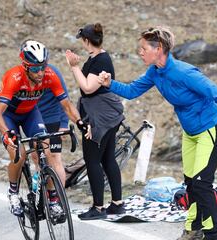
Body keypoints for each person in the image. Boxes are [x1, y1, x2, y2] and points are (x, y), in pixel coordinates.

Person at [98, 26, 217, 240]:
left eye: (143, 48)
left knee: (202, 184)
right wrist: (109, 84)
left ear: (158, 48)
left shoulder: (184, 72)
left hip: (210, 130)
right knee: (190, 183)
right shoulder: (155, 72)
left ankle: (211, 235)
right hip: (190, 134)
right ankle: (193, 229)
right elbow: (131, 91)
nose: (139, 52)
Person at [0, 40, 90, 217]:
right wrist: (6, 134)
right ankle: (13, 192)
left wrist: (80, 123)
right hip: (9, 116)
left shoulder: (49, 74)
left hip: (31, 113)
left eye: (42, 67)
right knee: (19, 154)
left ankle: (52, 200)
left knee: (47, 153)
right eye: (35, 69)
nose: (40, 72)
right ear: (25, 66)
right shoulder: (13, 77)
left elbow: (66, 106)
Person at [65, 23, 126, 220]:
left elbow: (88, 87)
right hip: (106, 114)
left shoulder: (100, 60)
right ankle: (117, 204)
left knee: (92, 160)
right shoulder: (98, 57)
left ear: (86, 40)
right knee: (107, 158)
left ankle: (98, 208)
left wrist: (74, 67)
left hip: (98, 117)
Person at [37, 63, 69, 186]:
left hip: (53, 119)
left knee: (54, 157)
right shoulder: (23, 74)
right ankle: (41, 191)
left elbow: (65, 98)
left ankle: (59, 198)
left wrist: (64, 123)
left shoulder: (52, 72)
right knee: (37, 157)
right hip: (34, 120)